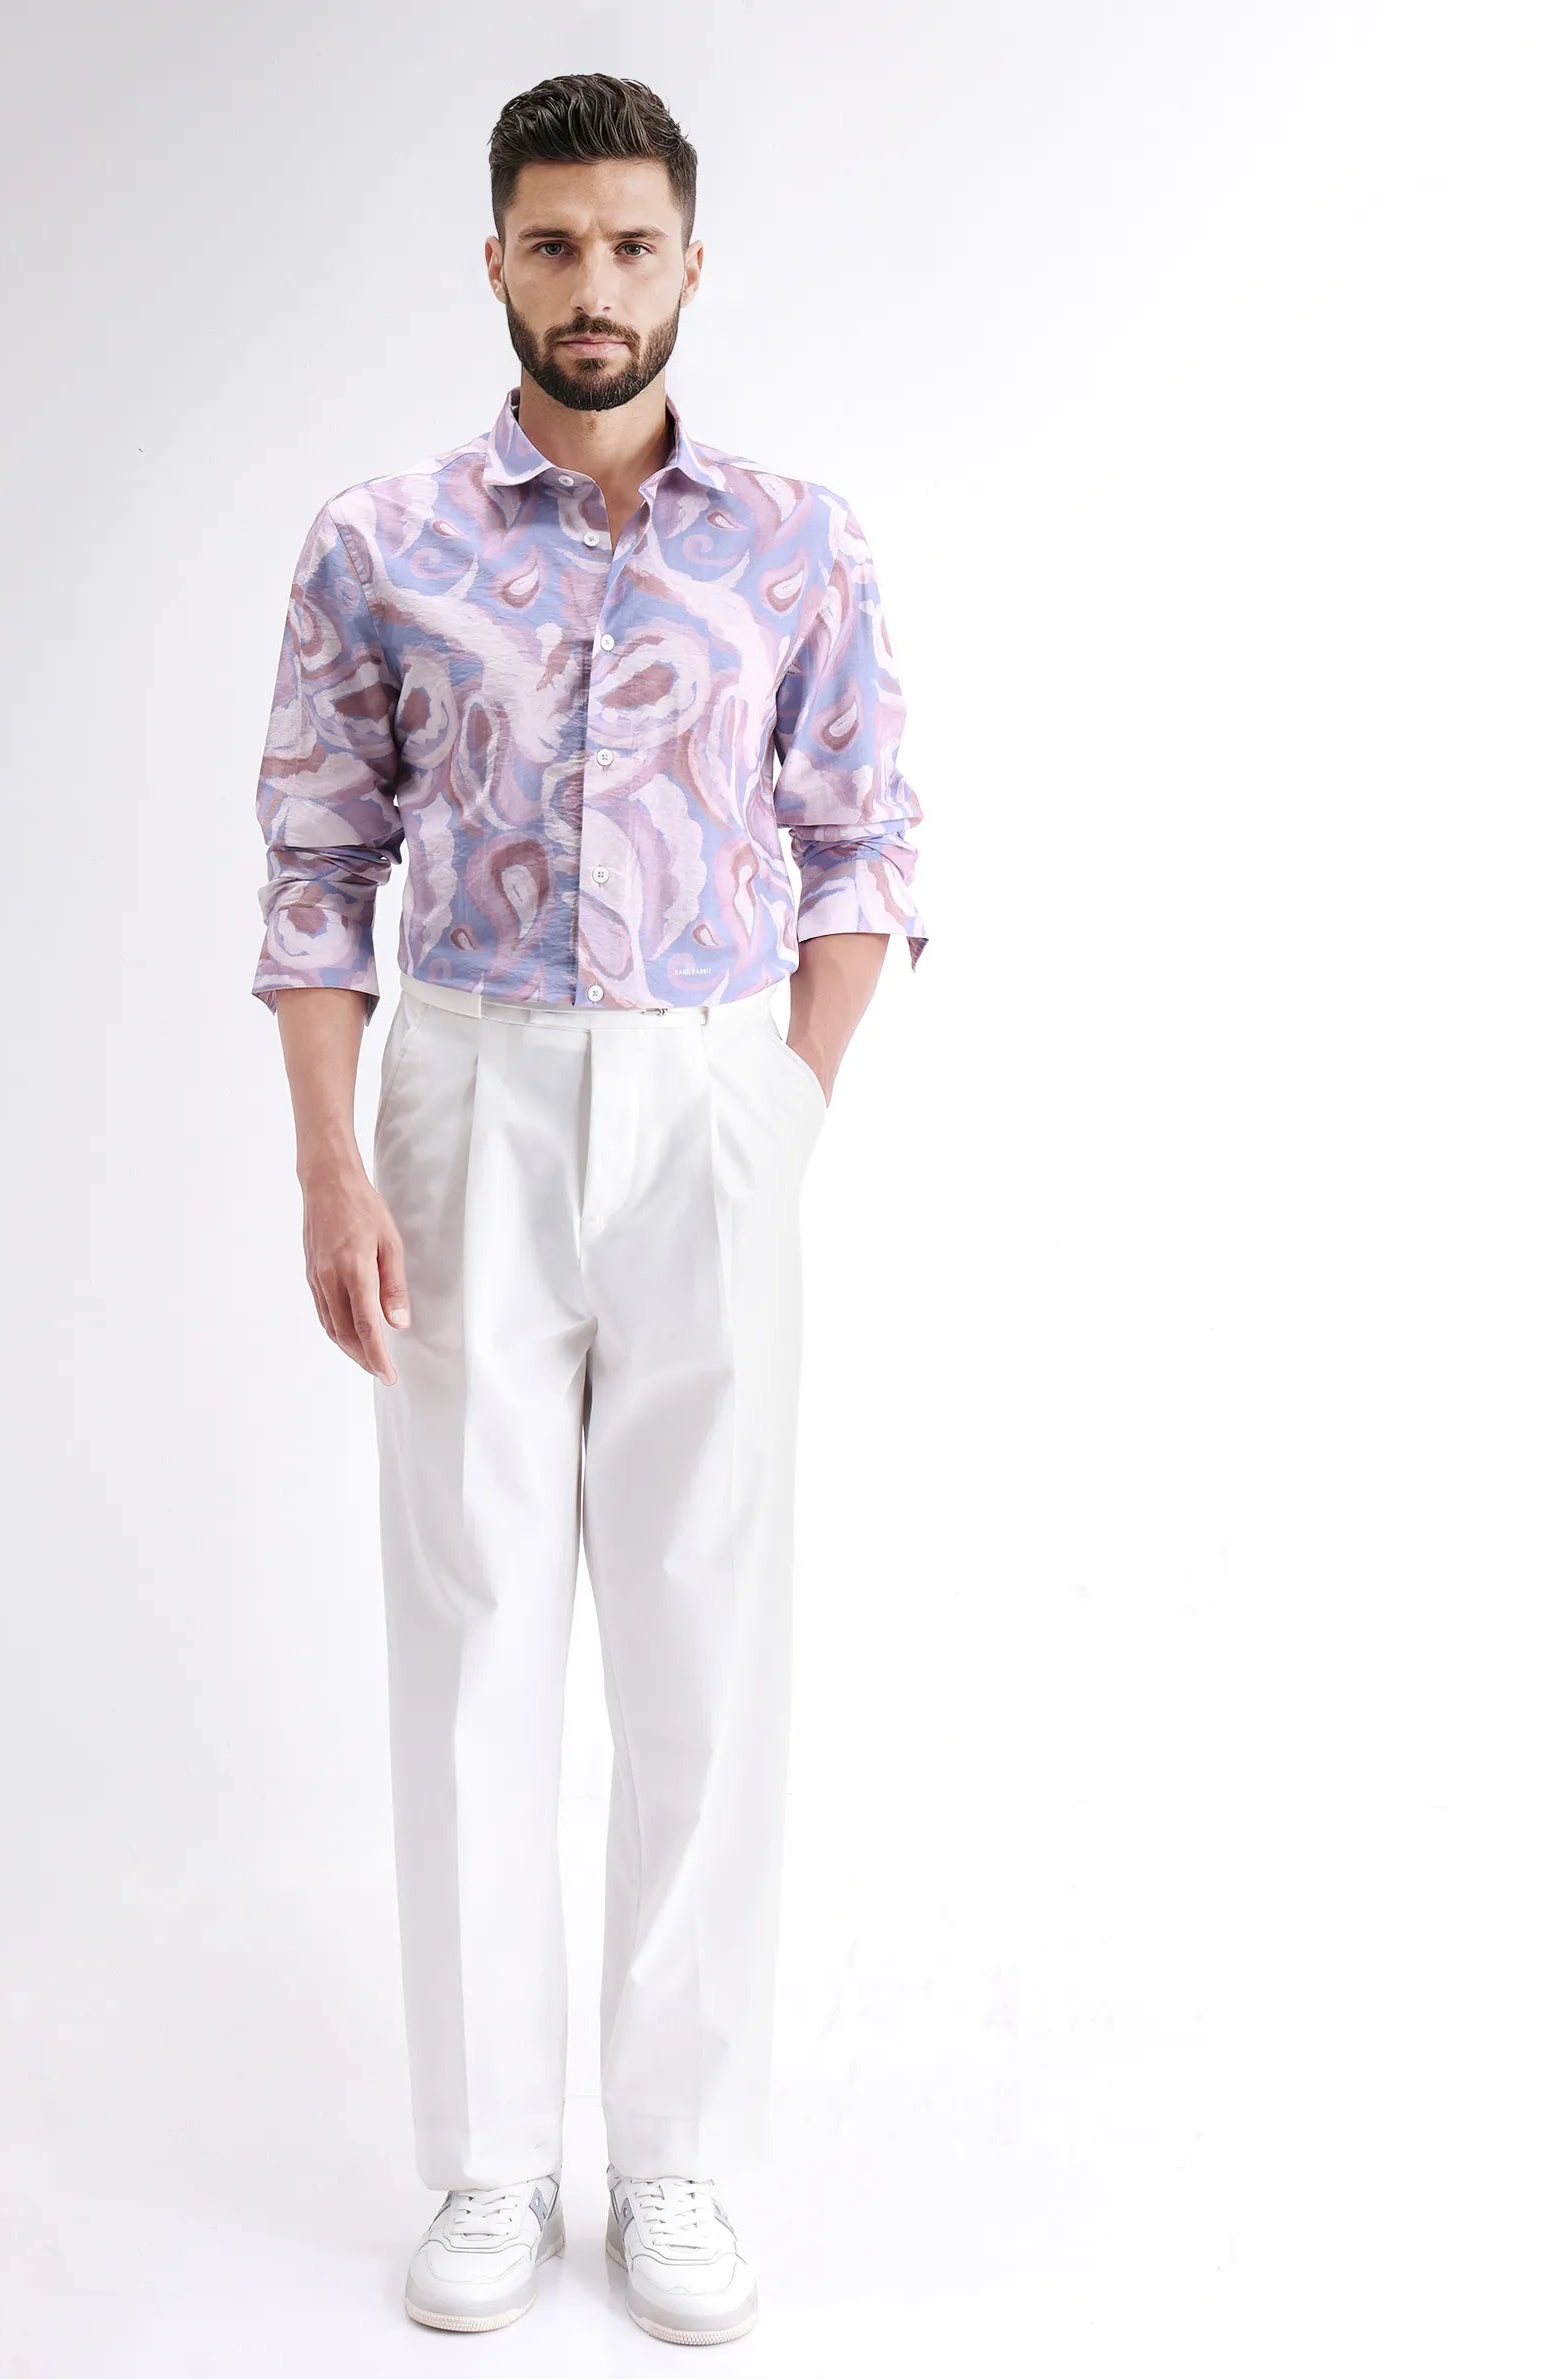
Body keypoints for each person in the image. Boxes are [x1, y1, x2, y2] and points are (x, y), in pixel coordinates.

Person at [251, 71, 927, 2345]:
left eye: (633, 243)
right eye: (554, 242)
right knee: (473, 1625)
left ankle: (677, 2157)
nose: (595, 283)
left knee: (701, 1623)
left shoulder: (798, 544)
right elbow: (315, 867)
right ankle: (485, 2161)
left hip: (713, 1085)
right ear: (497, 263)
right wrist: (333, 1156)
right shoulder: (381, 542)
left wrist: (786, 1105)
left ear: (691, 264)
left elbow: (865, 843)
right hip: (468, 1086)